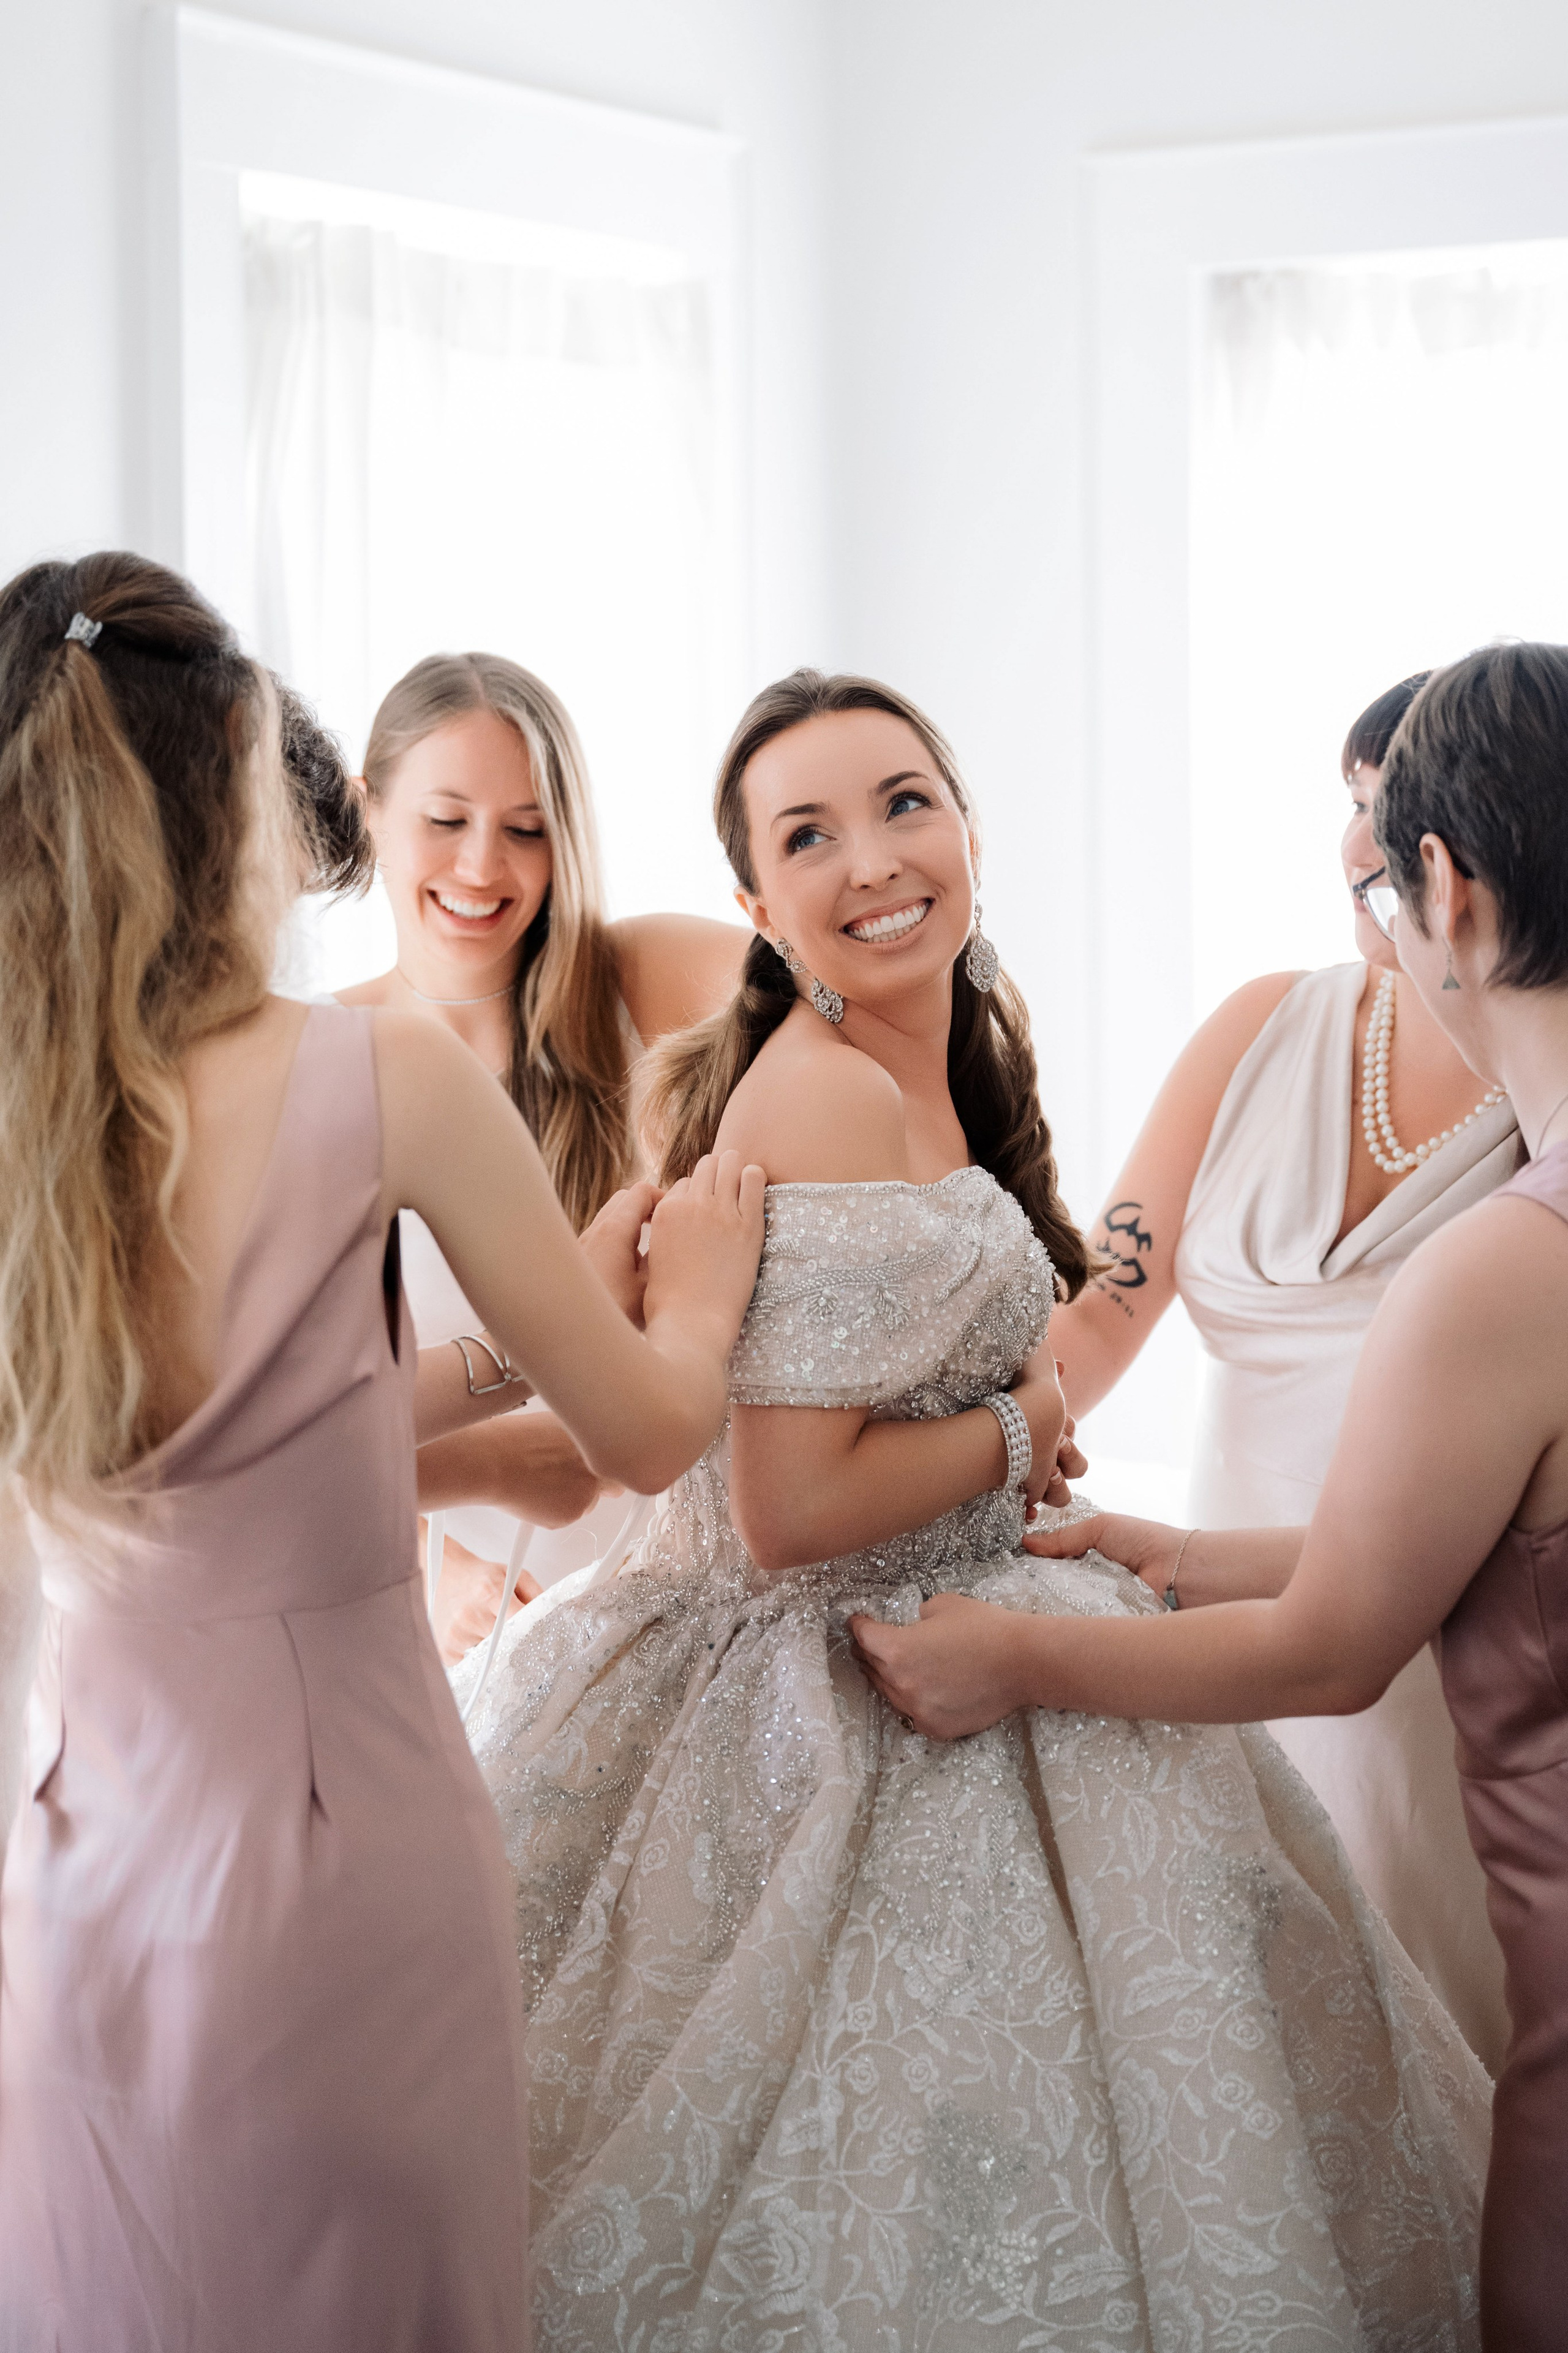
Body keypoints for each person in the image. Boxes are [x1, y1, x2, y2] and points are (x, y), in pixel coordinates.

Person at [460, 668, 1488, 2351]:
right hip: (830, 1672)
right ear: (756, 907)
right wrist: (1026, 1421)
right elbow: (789, 1507)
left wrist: (1024, 1437)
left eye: (903, 804)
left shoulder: (944, 1065)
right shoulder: (825, 1089)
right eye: (810, 834)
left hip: (973, 1593)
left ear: (970, 831)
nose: (872, 859)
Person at [0, 552, 766, 2351]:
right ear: (237, 799)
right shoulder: (379, 1075)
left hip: (80, 1877)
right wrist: (703, 1297)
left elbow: (189, 1464)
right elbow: (647, 1426)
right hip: (350, 1861)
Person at [854, 640, 1568, 2352]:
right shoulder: (1275, 1035)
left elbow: (1339, 1642)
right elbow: (1113, 1286)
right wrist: (1118, 1510)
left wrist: (1016, 1657)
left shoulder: (1506, 1256)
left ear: (1447, 887)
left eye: (1385, 874)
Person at [1047, 673, 1520, 2069]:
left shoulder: (1541, 1101)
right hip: (1215, 1632)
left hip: (1441, 1658)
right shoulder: (1262, 1027)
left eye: (1385, 809)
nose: (1351, 845)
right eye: (1348, 802)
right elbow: (1094, 1315)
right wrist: (956, 1444)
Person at [339, 653, 747, 1658]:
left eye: (527, 830)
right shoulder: (321, 1062)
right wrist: (442, 1552)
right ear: (367, 814)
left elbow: (880, 997)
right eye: (446, 821)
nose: (483, 868)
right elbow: (286, 1417)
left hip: (711, 1600)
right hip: (478, 1631)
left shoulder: (644, 982)